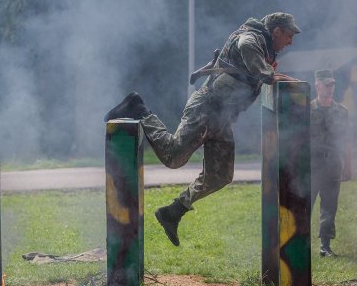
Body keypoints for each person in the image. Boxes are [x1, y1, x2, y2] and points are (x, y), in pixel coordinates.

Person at [104, 12, 300, 246]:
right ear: (276, 31)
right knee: (174, 157)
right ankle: (139, 108)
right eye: (288, 35)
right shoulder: (251, 38)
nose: (290, 41)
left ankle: (173, 211)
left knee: (221, 176)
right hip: (206, 108)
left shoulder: (265, 47)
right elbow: (246, 47)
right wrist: (270, 76)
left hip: (222, 119)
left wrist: (269, 74)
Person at [310, 69, 351, 257]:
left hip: (333, 165)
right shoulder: (307, 110)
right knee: (305, 205)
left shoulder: (341, 112)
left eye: (332, 84)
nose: (330, 88)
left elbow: (346, 140)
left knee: (329, 207)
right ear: (317, 86)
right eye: (327, 85)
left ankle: (325, 247)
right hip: (312, 165)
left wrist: (347, 166)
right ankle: (297, 242)